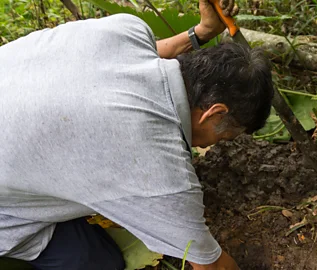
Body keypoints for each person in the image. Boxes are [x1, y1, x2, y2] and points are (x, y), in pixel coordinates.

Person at [0, 0, 274, 269]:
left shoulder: (126, 29)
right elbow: (211, 265)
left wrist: (201, 32)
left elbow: (150, 54)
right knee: (100, 262)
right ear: (214, 113)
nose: (214, 145)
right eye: (225, 137)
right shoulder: (160, 169)